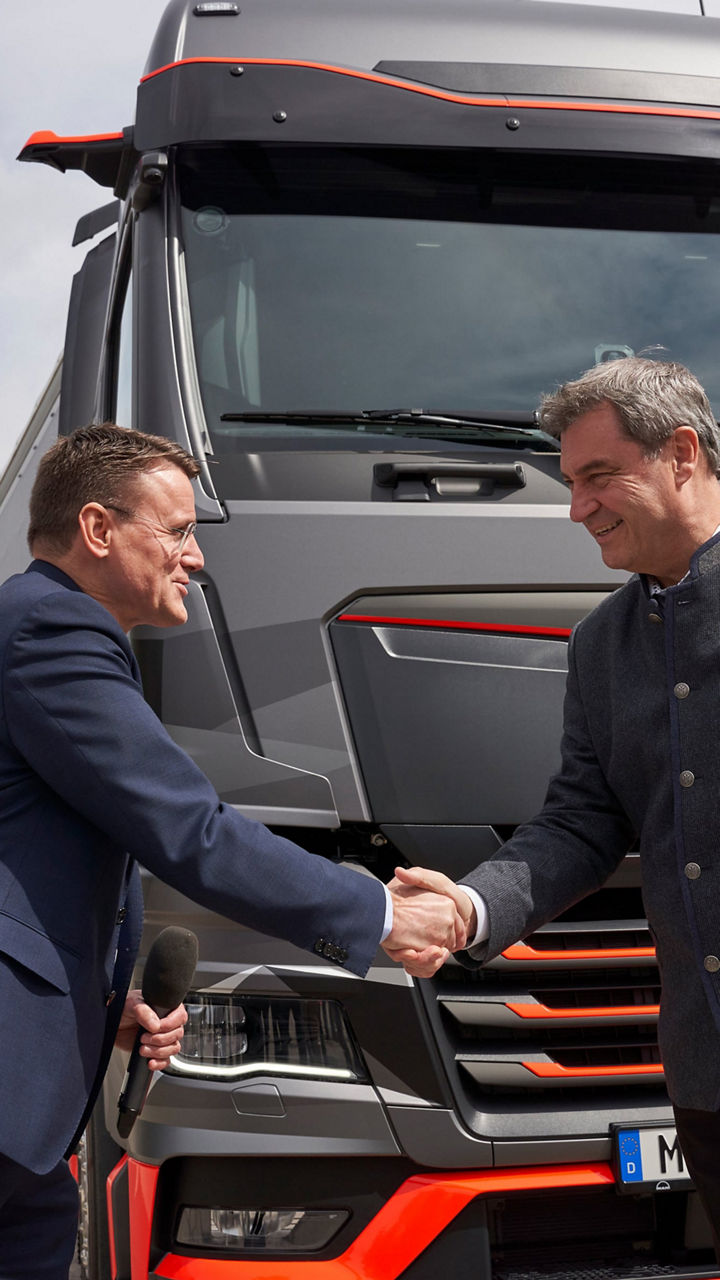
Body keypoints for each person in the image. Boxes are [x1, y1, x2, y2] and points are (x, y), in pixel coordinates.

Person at [0, 422, 463, 1279]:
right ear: (98, 531)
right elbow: (190, 832)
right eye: (176, 531)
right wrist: (381, 915)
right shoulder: (52, 631)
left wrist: (106, 999)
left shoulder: (38, 626)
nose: (197, 558)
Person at [392, 356, 720, 1257]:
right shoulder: (601, 646)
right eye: (571, 483)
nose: (577, 507)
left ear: (682, 453)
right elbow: (581, 822)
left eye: (597, 477)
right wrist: (467, 906)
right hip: (707, 1076)